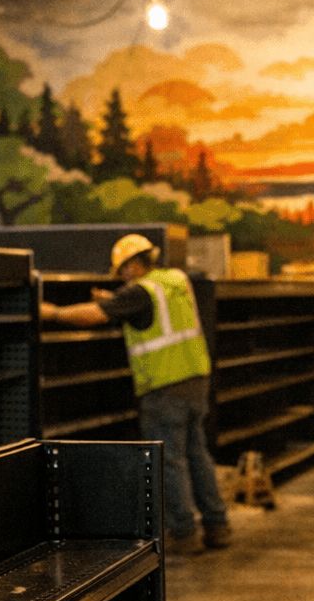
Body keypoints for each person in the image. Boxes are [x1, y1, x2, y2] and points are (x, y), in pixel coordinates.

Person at [39, 234, 230, 556]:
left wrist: (52, 313)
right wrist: (117, 298)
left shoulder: (140, 292)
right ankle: (217, 525)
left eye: (122, 271)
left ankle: (183, 532)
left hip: (164, 385)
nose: (122, 277)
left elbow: (95, 315)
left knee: (169, 460)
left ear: (131, 266)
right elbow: (149, 308)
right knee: (197, 452)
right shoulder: (174, 279)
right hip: (196, 378)